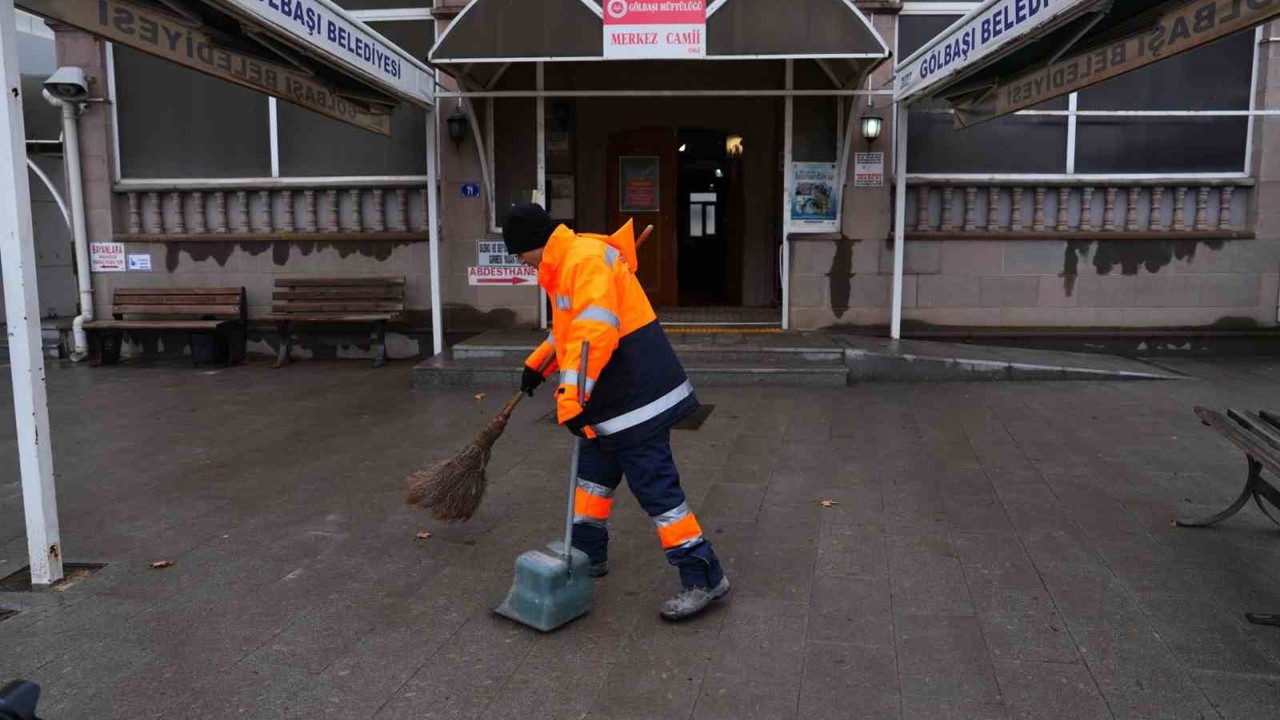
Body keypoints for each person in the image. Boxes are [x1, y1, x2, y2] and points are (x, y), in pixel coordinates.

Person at [502, 203, 728, 621]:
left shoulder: (582, 260)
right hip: (610, 395)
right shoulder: (566, 262)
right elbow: (570, 330)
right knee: (593, 477)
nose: (519, 262)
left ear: (536, 244)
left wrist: (569, 398)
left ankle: (703, 576)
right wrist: (539, 364)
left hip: (635, 396)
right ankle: (589, 552)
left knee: (657, 491)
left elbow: (595, 333)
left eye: (519, 253)